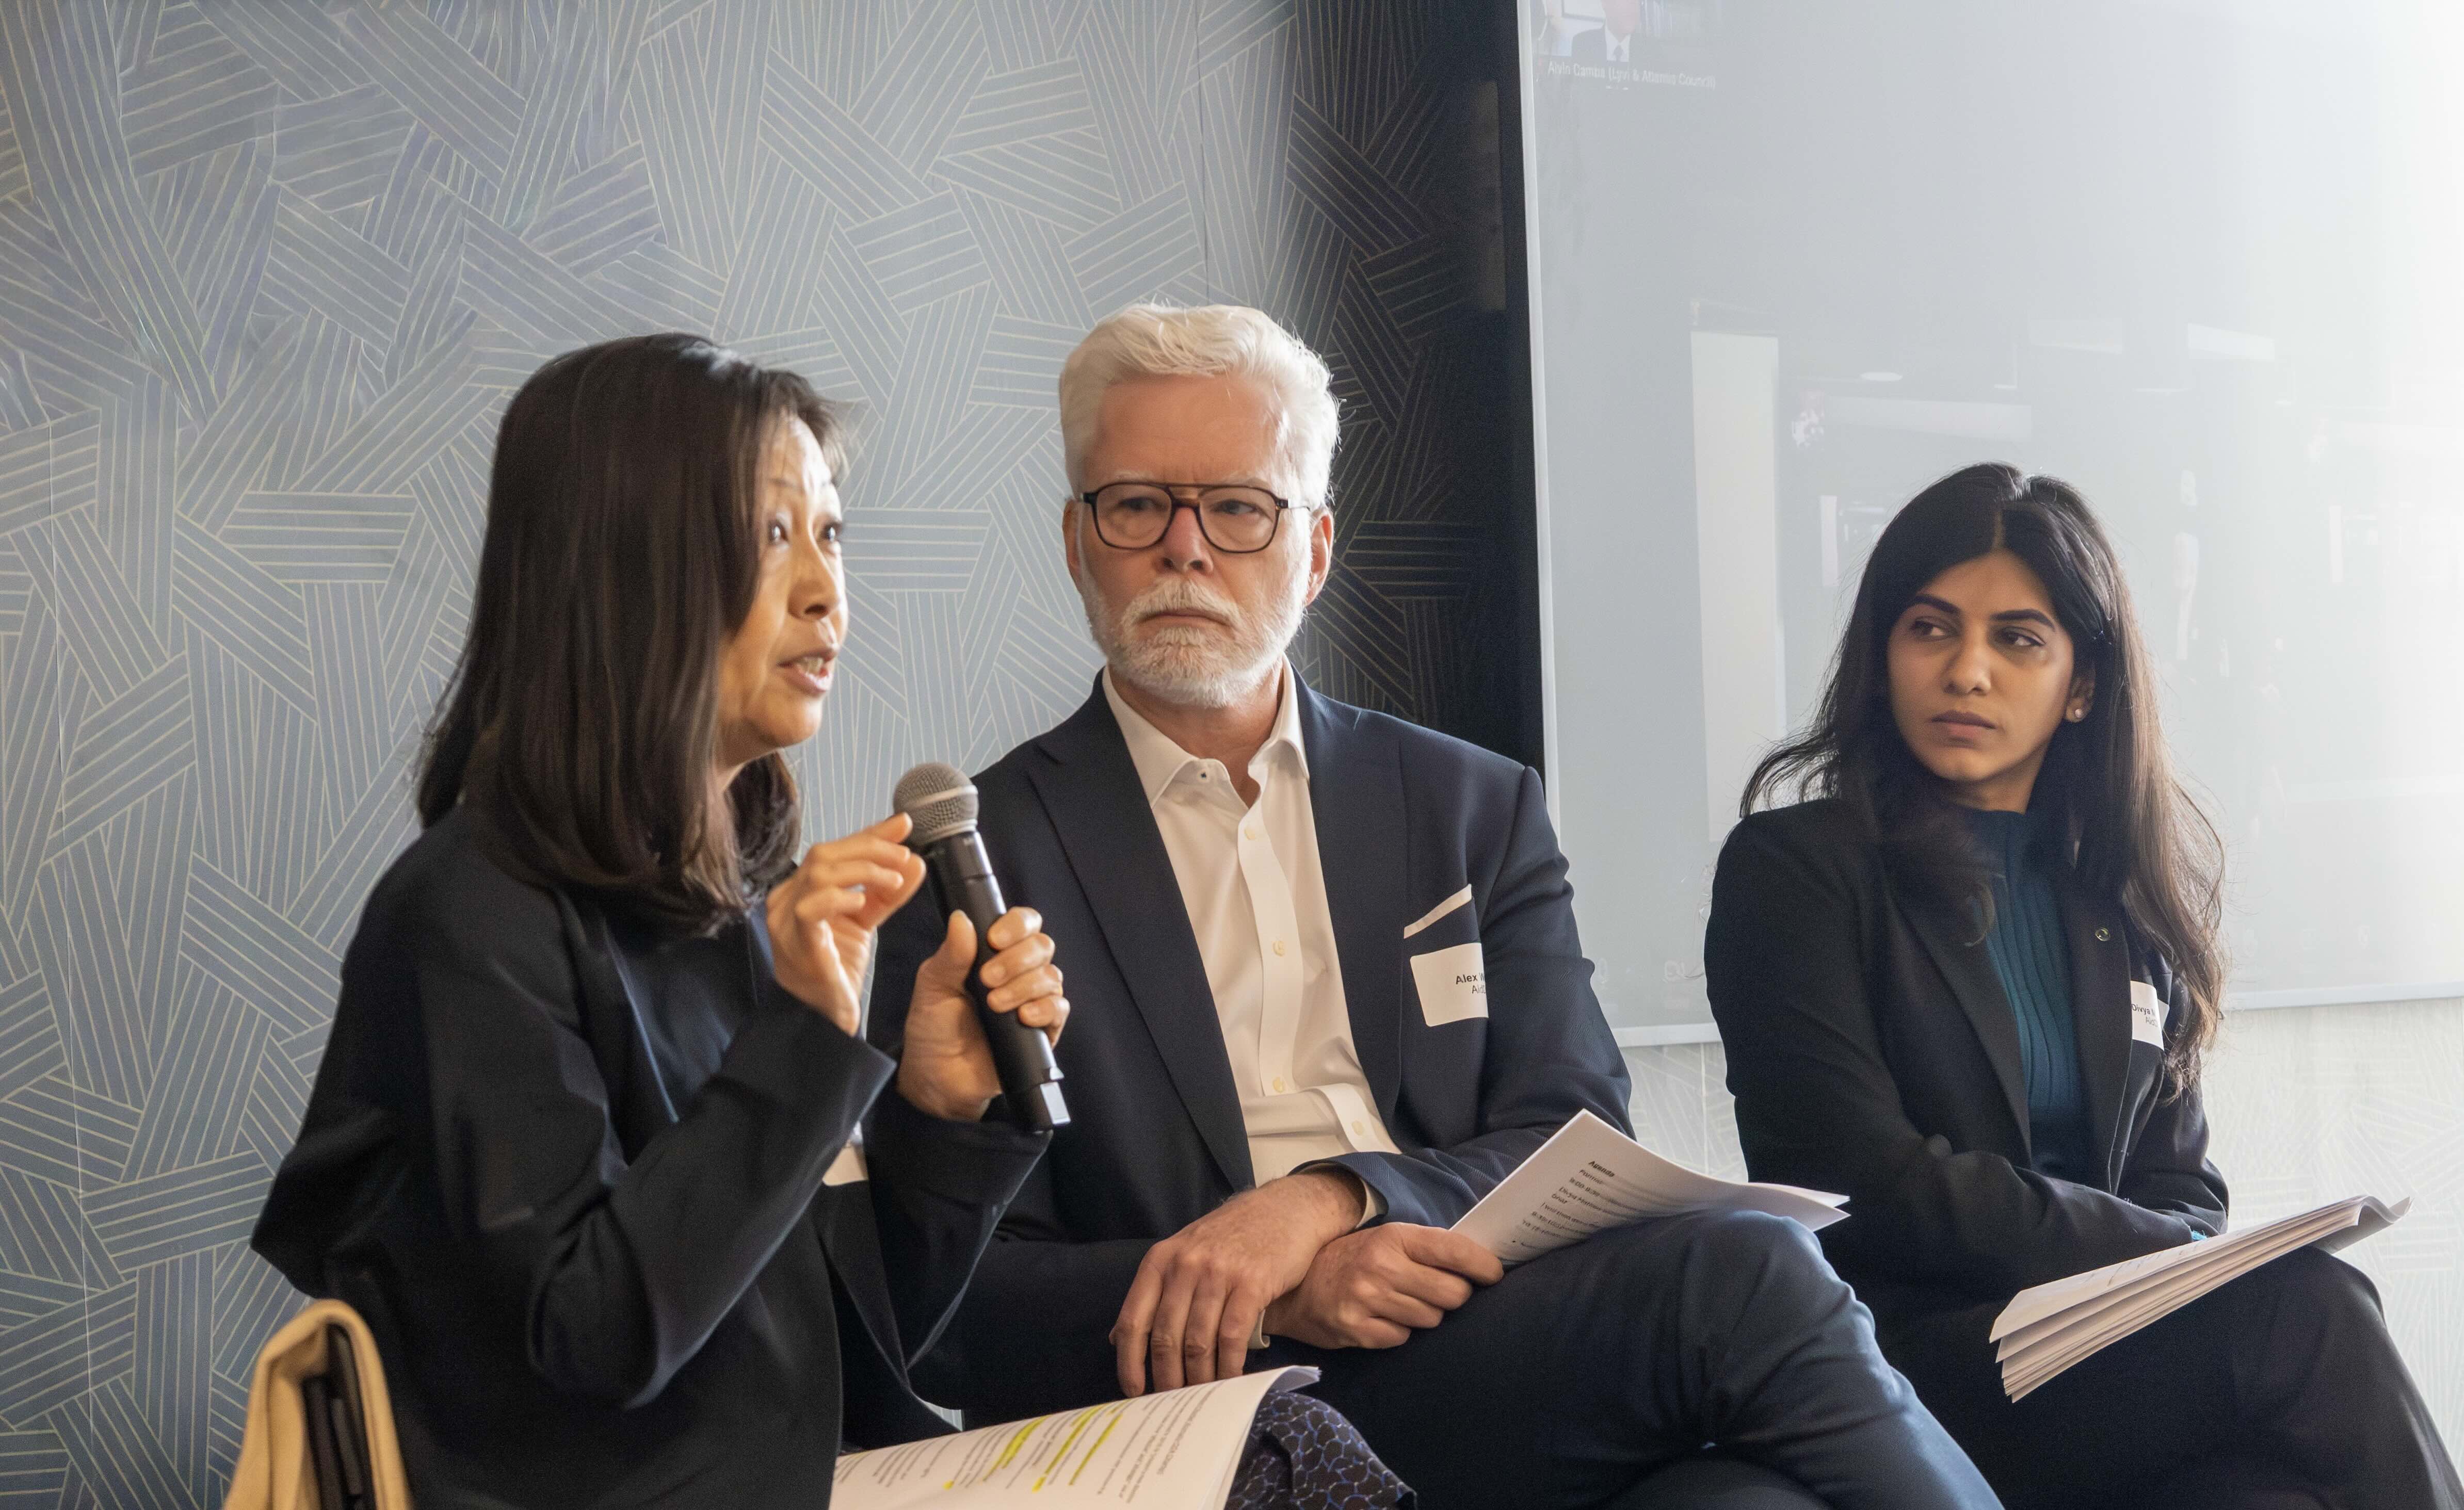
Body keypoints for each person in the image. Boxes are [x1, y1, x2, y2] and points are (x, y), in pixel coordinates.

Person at [868, 303, 2000, 1510]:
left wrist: (1328, 1202)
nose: (1185, 550)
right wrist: (1272, 1288)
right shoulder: (968, 863)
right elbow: (949, 1308)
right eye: (1138, 505)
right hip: (1214, 1418)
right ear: (1077, 541)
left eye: (1239, 509)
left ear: (1312, 549)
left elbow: (1570, 1129)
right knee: (1747, 1275)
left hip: (1483, 1335)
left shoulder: (1468, 803)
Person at [250, 335, 1069, 1507]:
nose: (826, 589)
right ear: (624, 567)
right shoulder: (465, 919)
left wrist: (938, 1113)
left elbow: (804, 1356)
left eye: (829, 533)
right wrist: (800, 1048)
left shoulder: (719, 914)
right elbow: (595, 1340)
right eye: (772, 533)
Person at [1704, 464, 2463, 1510]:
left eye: (2017, 639)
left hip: (2111, 1351)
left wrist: (2173, 1248)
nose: (1967, 671)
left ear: (2083, 685)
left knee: (2267, 1498)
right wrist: (2167, 1252)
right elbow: (1858, 1180)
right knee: (2310, 1305)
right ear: (1884, 656)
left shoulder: (2118, 903)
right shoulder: (1796, 868)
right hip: (1909, 1363)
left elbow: (2186, 1189)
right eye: (1931, 629)